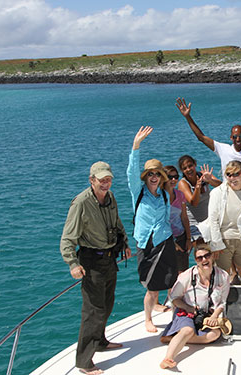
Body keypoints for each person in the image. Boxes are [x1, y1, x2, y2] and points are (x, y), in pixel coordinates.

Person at [60, 161, 132, 375]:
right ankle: (84, 361)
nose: (106, 183)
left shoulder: (110, 198)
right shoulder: (81, 203)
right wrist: (73, 263)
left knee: (107, 304)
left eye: (108, 179)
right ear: (92, 180)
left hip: (109, 259)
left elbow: (117, 222)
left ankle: (100, 341)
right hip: (91, 261)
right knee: (93, 311)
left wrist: (125, 243)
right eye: (102, 180)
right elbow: (67, 238)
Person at [128, 126, 178, 333]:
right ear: (145, 176)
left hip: (165, 241)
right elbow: (131, 171)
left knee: (170, 281)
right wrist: (136, 146)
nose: (154, 177)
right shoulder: (138, 193)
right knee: (150, 285)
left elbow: (168, 217)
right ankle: (148, 319)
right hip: (146, 243)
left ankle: (172, 312)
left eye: (158, 174)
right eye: (150, 174)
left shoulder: (164, 195)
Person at [159, 247, 231, 369]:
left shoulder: (223, 276)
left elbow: (222, 302)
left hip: (206, 314)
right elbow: (174, 299)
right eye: (200, 258)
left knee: (215, 334)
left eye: (207, 256)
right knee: (188, 330)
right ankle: (168, 358)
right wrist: (188, 308)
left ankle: (174, 337)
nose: (204, 259)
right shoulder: (186, 276)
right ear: (196, 261)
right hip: (186, 311)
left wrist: (214, 316)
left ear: (212, 256)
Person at [177, 155, 221, 250]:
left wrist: (210, 180)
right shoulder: (183, 183)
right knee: (202, 251)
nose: (188, 169)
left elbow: (221, 186)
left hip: (209, 221)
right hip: (195, 226)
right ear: (182, 170)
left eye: (190, 165)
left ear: (195, 164)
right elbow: (194, 202)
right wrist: (197, 187)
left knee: (215, 251)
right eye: (185, 168)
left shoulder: (203, 175)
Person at [164, 165, 192, 274]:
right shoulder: (159, 197)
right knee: (169, 276)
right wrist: (170, 242)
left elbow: (184, 217)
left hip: (181, 238)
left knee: (182, 274)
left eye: (176, 177)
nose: (174, 180)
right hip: (165, 240)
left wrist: (188, 239)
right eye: (170, 177)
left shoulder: (180, 195)